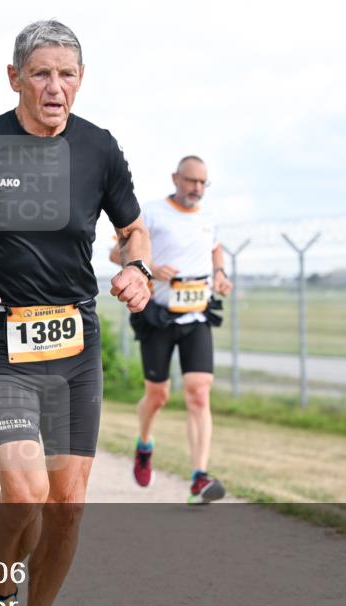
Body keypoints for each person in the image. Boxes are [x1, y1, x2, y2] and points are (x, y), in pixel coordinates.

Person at [0, 20, 152, 606]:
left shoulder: (99, 148)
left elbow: (135, 230)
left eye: (68, 74)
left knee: (68, 506)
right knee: (25, 492)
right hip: (2, 337)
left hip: (74, 341)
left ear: (81, 80)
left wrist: (137, 267)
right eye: (43, 73)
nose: (56, 87)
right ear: (15, 77)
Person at [113, 155, 233, 504]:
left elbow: (215, 248)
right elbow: (115, 253)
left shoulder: (210, 217)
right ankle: (145, 444)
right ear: (175, 178)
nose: (197, 189)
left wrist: (220, 274)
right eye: (191, 181)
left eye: (203, 183)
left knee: (198, 391)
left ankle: (199, 478)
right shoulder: (150, 213)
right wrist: (148, 266)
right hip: (158, 316)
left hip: (196, 315)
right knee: (158, 396)